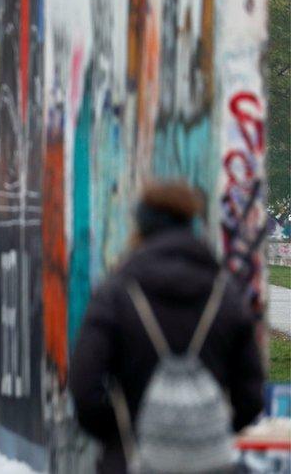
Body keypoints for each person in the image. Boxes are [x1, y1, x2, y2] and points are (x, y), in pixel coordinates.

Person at [70, 183, 264, 473]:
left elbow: (84, 389)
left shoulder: (115, 295)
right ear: (191, 226)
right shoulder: (226, 297)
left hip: (131, 461)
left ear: (141, 228)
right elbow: (250, 397)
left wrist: (124, 433)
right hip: (209, 466)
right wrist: (207, 431)